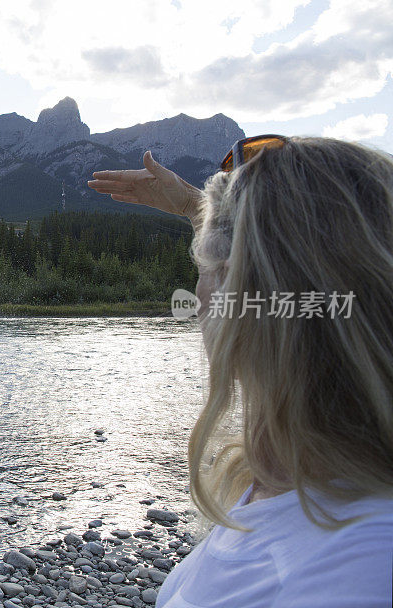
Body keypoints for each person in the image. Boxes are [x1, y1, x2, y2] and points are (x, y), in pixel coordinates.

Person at [88, 137, 393, 607]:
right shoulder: (303, 467)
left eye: (212, 263)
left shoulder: (353, 571)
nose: (199, 287)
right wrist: (196, 207)